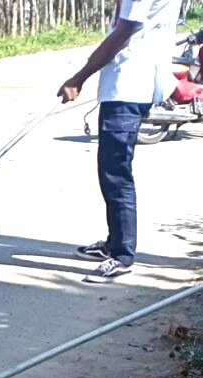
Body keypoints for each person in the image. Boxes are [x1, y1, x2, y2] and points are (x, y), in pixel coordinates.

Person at [57, 0, 180, 283]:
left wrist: (79, 77)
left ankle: (122, 255)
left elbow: (126, 29)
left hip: (129, 86)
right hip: (132, 84)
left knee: (115, 172)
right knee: (111, 170)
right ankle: (114, 244)